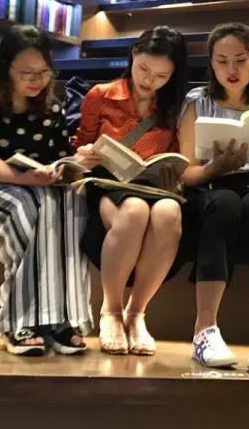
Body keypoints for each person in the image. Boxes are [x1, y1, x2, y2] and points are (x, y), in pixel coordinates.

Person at [0, 25, 92, 356]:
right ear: (5, 68)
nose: (36, 80)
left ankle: (63, 317)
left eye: (43, 72)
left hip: (35, 188)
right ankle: (20, 321)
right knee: (30, 209)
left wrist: (76, 161)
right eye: (26, 73)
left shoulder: (50, 107)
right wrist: (27, 179)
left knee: (72, 203)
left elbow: (60, 158)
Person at [177, 22, 249, 373]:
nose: (231, 69)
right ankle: (204, 329)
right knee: (225, 203)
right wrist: (216, 167)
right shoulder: (197, 102)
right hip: (211, 191)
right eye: (222, 61)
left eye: (240, 60)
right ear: (211, 63)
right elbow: (186, 173)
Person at [74, 26, 189, 356]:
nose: (149, 80)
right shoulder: (101, 95)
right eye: (144, 69)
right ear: (133, 56)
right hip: (109, 183)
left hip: (153, 185)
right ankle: (110, 310)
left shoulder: (174, 106)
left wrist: (173, 175)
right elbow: (80, 146)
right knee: (135, 210)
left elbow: (180, 156)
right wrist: (85, 153)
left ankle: (137, 313)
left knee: (169, 212)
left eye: (162, 76)